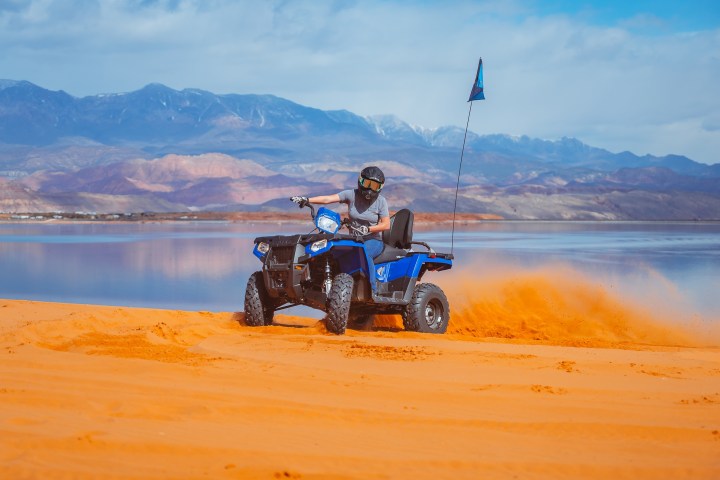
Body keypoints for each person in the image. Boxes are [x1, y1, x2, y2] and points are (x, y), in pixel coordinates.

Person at [291, 165, 390, 260]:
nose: (369, 189)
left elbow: (386, 225)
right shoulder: (351, 195)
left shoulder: (381, 201)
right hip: (355, 239)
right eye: (367, 183)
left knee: (364, 254)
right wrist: (307, 200)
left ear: (380, 187)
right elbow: (328, 199)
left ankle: (370, 278)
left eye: (374, 186)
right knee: (336, 253)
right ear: (360, 181)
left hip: (373, 240)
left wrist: (368, 229)